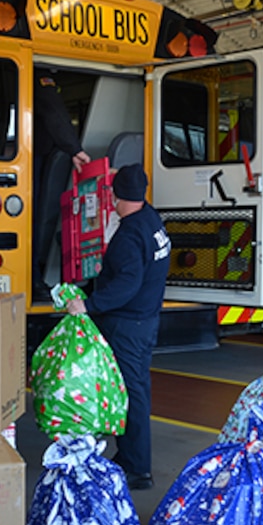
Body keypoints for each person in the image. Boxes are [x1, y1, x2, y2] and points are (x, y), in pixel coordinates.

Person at [66, 164, 170, 491]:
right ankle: (130, 457)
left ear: (115, 195)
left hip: (129, 325)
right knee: (136, 389)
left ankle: (137, 468)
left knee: (131, 393)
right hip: (146, 318)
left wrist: (89, 305)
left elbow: (127, 283)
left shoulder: (128, 235)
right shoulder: (151, 221)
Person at [32, 69, 91, 299]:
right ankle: (34, 278)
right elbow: (51, 107)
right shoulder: (38, 75)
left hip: (36, 157)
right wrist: (74, 149)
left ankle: (34, 276)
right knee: (33, 220)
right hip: (32, 158)